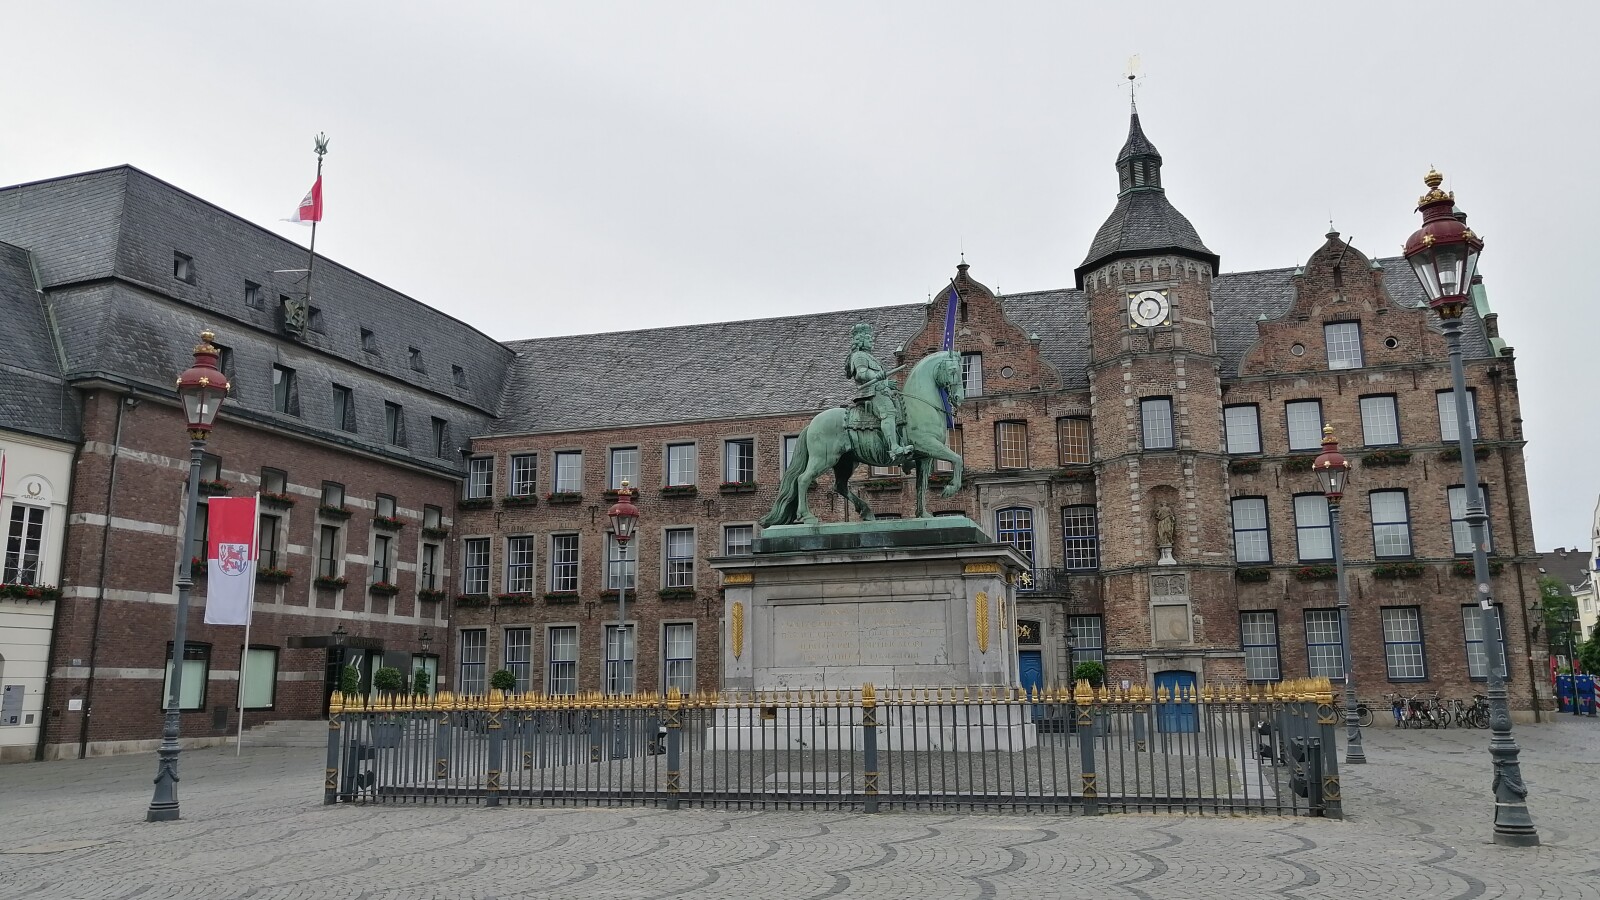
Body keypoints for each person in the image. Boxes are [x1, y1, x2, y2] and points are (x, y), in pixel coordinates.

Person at [845, 323, 911, 462]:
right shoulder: (859, 356)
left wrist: (886, 383)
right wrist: (876, 376)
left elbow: (879, 379)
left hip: (880, 390)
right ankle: (894, 448)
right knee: (889, 412)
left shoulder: (870, 357)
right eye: (868, 338)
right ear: (861, 341)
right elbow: (861, 374)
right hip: (870, 393)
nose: (871, 341)